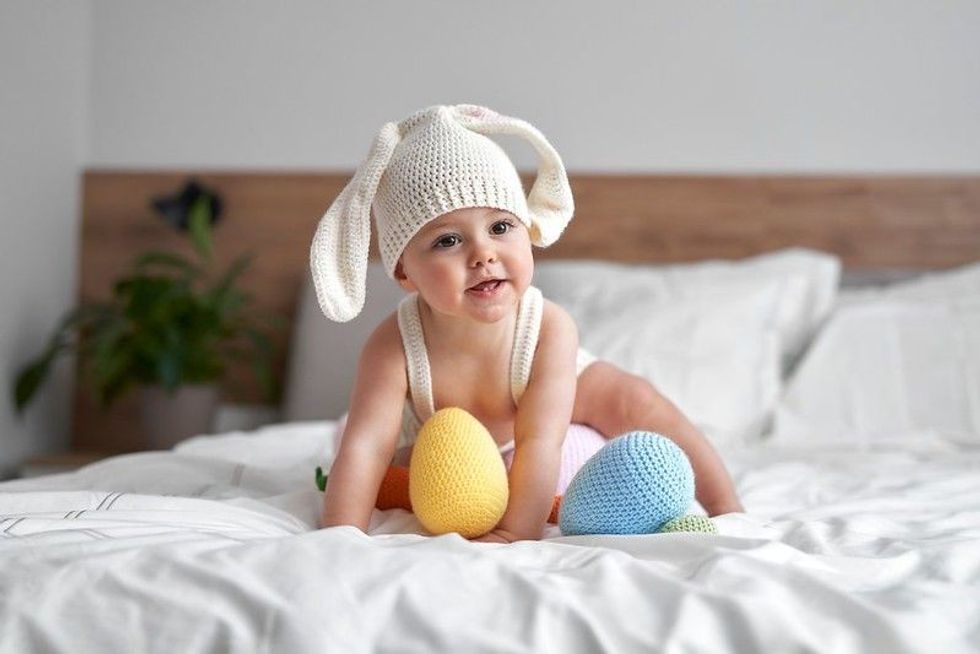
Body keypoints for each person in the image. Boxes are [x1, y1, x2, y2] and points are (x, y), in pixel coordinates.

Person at [311, 104, 743, 543]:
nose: (483, 254)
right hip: (444, 428)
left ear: (528, 231)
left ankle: (728, 506)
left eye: (500, 226)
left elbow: (539, 442)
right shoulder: (393, 345)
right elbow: (367, 446)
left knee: (635, 399)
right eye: (448, 240)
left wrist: (516, 534)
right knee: (388, 456)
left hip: (542, 396)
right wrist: (339, 537)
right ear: (404, 272)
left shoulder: (549, 329)